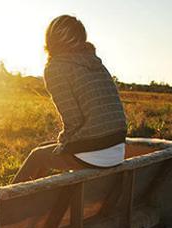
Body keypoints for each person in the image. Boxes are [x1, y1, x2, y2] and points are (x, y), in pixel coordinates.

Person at [12, 15, 127, 183]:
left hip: (95, 152)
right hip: (116, 148)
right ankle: (33, 200)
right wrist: (62, 144)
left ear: (50, 38)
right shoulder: (95, 62)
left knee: (37, 157)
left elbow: (73, 121)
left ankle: (4, 206)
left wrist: (63, 144)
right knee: (44, 149)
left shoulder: (56, 67)